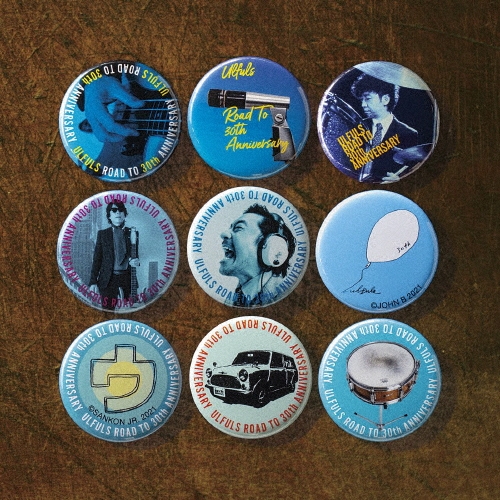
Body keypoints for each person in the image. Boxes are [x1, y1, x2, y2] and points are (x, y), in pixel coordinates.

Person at [219, 204, 295, 307]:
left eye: (238, 228)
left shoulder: (287, 301)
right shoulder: (234, 298)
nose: (224, 234)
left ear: (270, 245)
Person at [350, 73, 419, 182]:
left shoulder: (408, 133)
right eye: (361, 100)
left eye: (367, 98)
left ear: (385, 99)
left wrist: (399, 179)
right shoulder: (355, 127)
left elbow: (410, 169)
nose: (363, 104)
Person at [89, 201, 140, 309]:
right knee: (107, 311)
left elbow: (135, 255)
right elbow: (97, 259)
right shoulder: (102, 234)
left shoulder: (133, 232)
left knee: (129, 311)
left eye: (121, 210)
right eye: (114, 210)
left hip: (127, 280)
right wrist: (93, 281)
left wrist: (135, 261)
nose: (118, 213)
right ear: (109, 216)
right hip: (108, 281)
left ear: (125, 214)